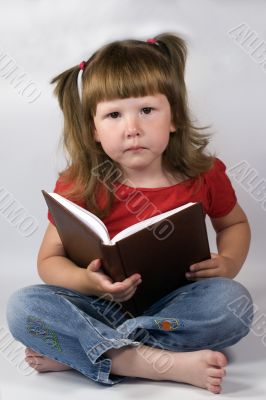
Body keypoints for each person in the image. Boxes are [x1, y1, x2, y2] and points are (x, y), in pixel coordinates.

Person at [6, 33, 253, 394]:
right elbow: (49, 261)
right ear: (93, 130)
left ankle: (89, 350)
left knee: (234, 304)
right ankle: (143, 361)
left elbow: (234, 224)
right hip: (99, 304)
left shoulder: (204, 173)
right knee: (22, 308)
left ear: (174, 117)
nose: (132, 128)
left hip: (175, 309)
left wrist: (229, 261)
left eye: (147, 110)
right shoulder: (80, 183)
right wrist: (87, 283)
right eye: (114, 115)